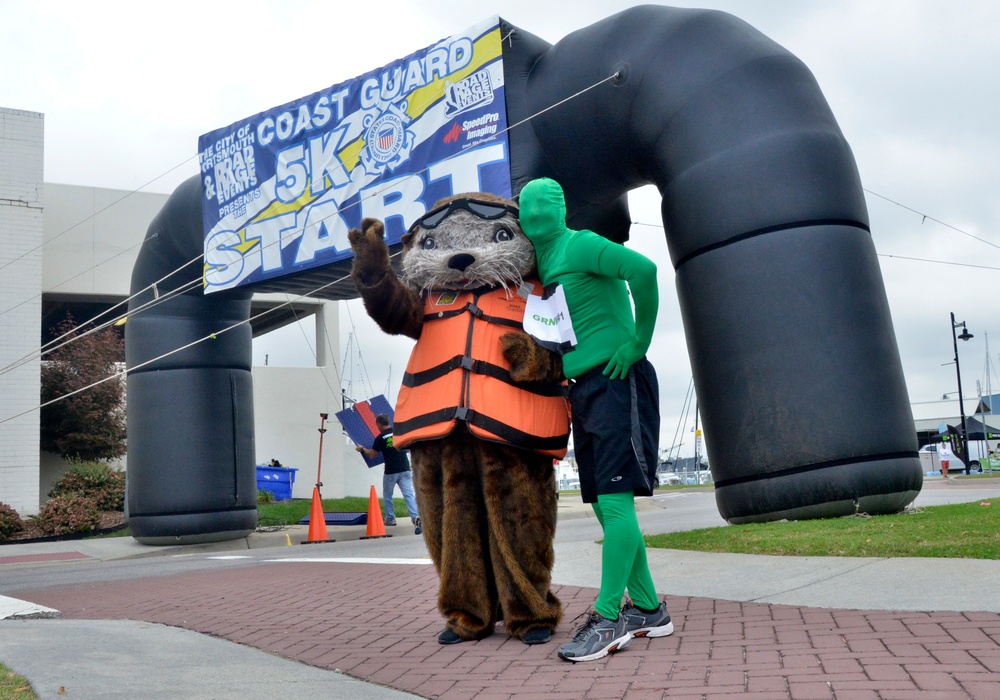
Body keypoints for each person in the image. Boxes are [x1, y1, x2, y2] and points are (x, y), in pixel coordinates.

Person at [519, 177, 674, 662]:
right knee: (609, 507)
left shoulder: (580, 243)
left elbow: (643, 271)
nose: (533, 213)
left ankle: (609, 618)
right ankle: (648, 609)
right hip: (582, 391)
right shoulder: (541, 265)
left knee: (614, 503)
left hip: (616, 380)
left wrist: (638, 343)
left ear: (558, 209)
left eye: (541, 204)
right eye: (526, 207)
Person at [356, 414, 422, 534]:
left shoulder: (380, 438)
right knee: (408, 494)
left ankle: (390, 519)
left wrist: (362, 449)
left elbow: (372, 455)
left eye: (377, 425)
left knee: (388, 495)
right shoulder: (398, 432)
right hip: (405, 468)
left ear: (380, 425)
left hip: (391, 471)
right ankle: (416, 517)